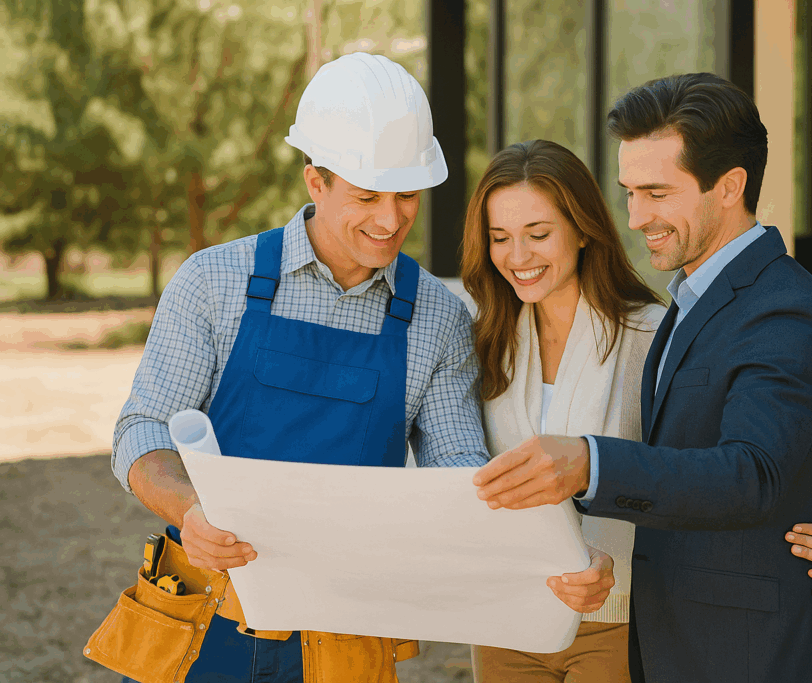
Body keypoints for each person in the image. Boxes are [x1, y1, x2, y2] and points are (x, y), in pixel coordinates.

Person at [106, 53, 612, 683]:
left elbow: (460, 474)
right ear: (315, 182)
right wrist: (187, 511)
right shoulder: (214, 281)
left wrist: (555, 554)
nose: (390, 219)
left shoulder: (436, 316)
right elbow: (142, 432)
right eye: (368, 196)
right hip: (200, 618)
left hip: (347, 635)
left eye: (407, 196)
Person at [466, 138, 812, 683]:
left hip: (621, 622)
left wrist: (807, 507)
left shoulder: (654, 335)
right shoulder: (481, 342)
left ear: (581, 229)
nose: (518, 257)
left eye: (539, 234)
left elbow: (717, 468)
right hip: (507, 621)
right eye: (500, 238)